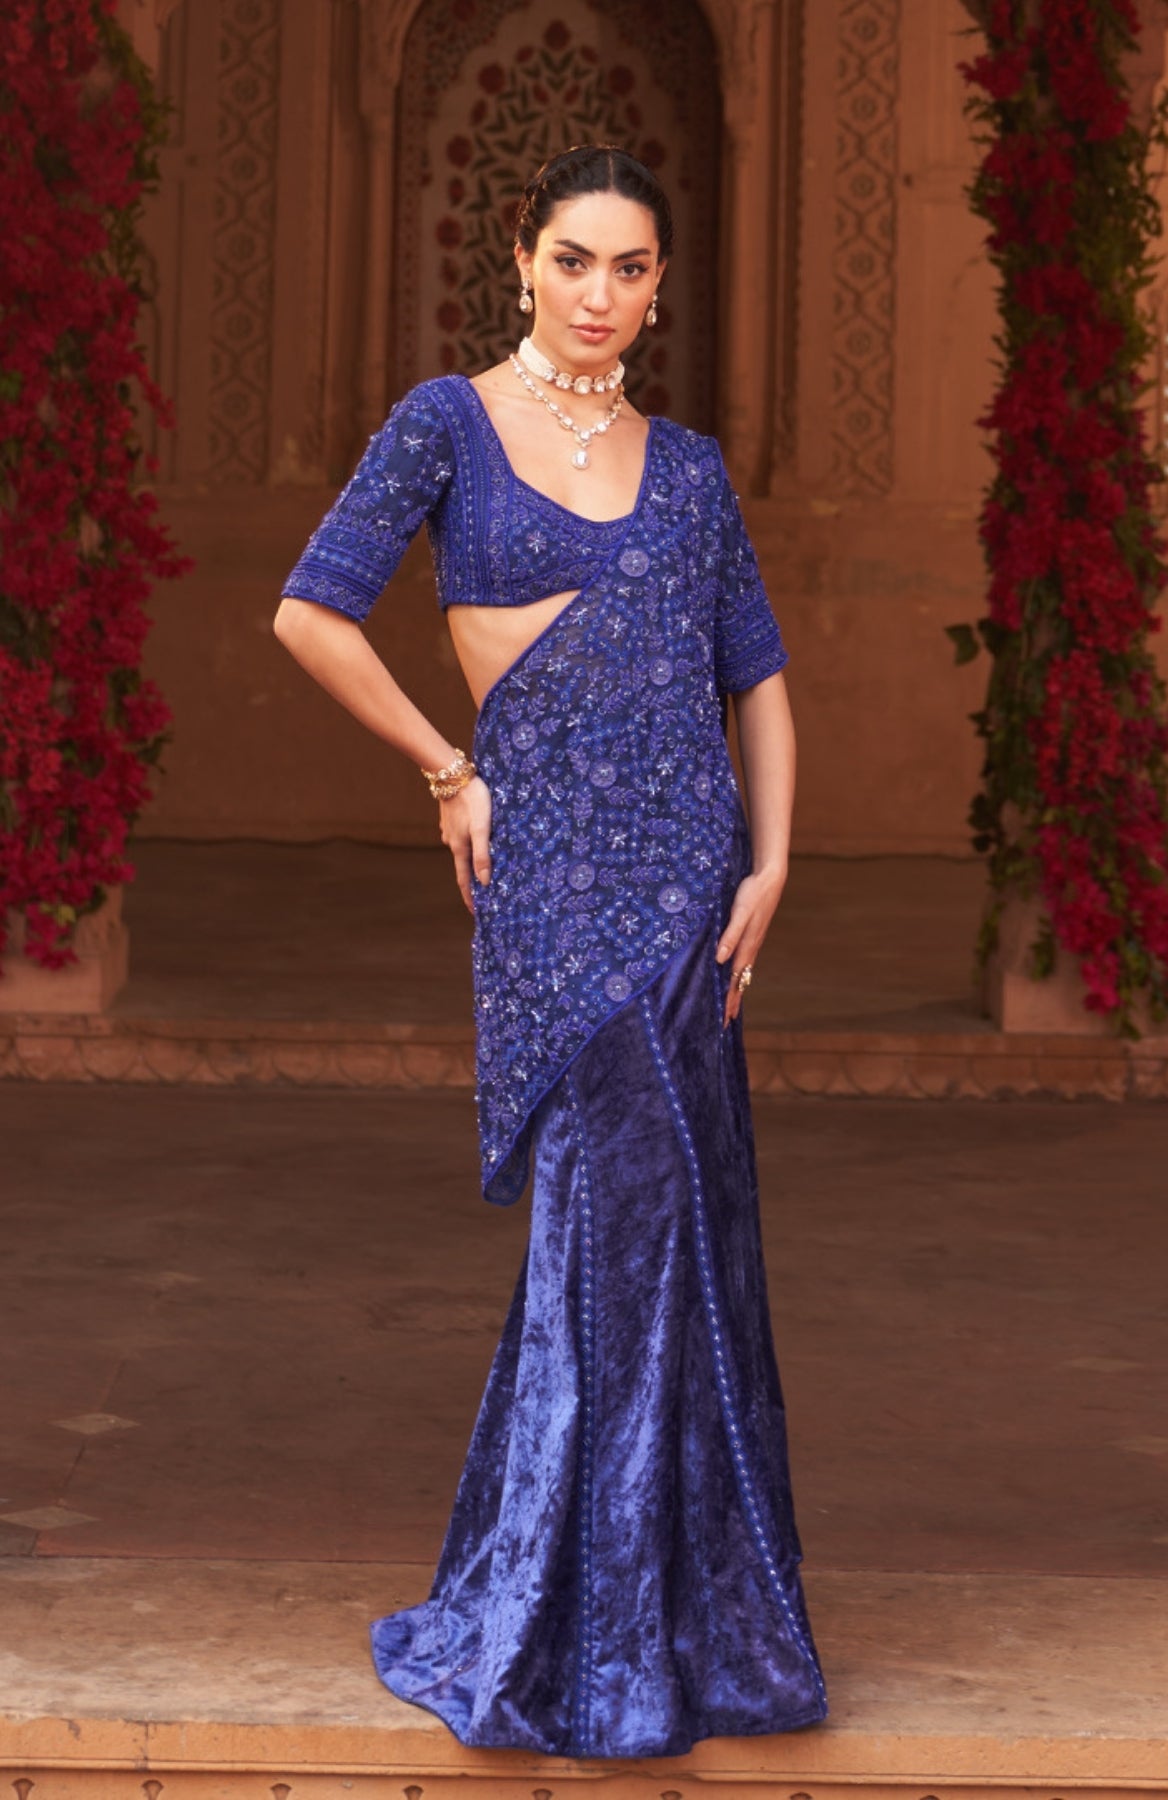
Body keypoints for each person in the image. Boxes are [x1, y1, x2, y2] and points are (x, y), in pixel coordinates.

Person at [274, 143, 828, 1760]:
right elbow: (310, 613)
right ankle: (577, 1630)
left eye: (630, 268)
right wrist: (447, 768)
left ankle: (657, 1619)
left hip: (689, 885)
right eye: (574, 259)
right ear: (521, 258)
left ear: (660, 289)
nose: (600, 293)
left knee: (666, 1233)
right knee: (616, 1220)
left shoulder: (691, 469)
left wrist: (774, 860)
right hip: (552, 893)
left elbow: (758, 677)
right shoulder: (444, 424)